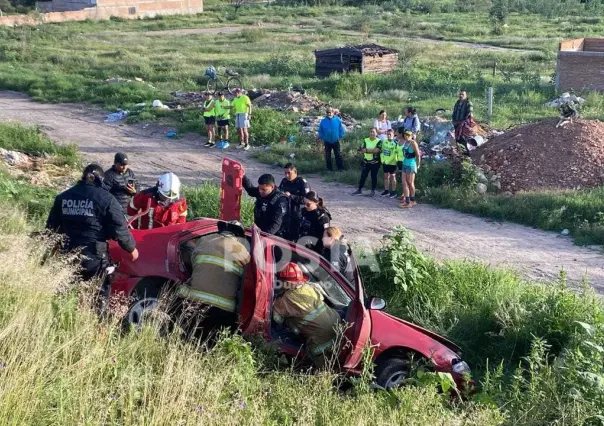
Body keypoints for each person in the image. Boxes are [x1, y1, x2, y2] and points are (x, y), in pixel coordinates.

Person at [46, 164, 138, 301]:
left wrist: (50, 251)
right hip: (94, 256)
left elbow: (51, 228)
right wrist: (131, 249)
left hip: (68, 253)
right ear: (101, 179)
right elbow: (119, 228)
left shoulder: (63, 197)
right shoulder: (107, 199)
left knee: (65, 293)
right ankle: (96, 319)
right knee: (99, 295)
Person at [177, 221, 251, 330]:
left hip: (194, 301)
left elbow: (194, 265)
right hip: (223, 310)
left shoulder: (204, 241)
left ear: (221, 230)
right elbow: (248, 278)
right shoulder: (243, 251)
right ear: (238, 236)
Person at [273, 262, 341, 368]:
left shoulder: (285, 300)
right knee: (337, 361)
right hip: (337, 326)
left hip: (320, 340)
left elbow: (276, 320)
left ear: (285, 282)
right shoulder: (310, 287)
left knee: (322, 369)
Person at [243, 172, 290, 238]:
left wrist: (262, 236)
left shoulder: (280, 200)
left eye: (264, 190)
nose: (260, 191)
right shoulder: (262, 190)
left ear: (272, 187)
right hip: (260, 230)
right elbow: (251, 190)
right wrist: (242, 176)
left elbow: (276, 224)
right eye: (259, 188)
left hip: (274, 236)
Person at [278, 163, 310, 242]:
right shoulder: (284, 181)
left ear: (295, 172)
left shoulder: (302, 182)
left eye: (289, 173)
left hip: (298, 213)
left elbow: (307, 200)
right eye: (285, 173)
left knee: (295, 235)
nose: (287, 175)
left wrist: (291, 196)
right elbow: (279, 192)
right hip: (285, 212)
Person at [351, 128, 381, 197]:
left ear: (376, 133)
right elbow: (361, 149)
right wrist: (363, 150)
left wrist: (366, 150)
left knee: (374, 176)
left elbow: (376, 150)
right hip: (366, 161)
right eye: (371, 132)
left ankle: (373, 191)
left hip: (375, 162)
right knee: (363, 176)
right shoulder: (366, 140)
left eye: (373, 132)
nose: (372, 133)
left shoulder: (379, 141)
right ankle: (359, 190)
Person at [397, 129, 421, 208]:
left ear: (411, 136)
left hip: (411, 164)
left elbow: (418, 154)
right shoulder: (405, 142)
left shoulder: (413, 143)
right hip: (405, 163)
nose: (406, 136)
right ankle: (407, 201)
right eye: (405, 135)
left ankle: (412, 200)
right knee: (404, 182)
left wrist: (418, 164)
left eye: (408, 135)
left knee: (410, 183)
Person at [317, 107, 345, 172]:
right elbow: (320, 131)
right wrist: (323, 137)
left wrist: (340, 136)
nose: (329, 114)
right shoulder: (323, 121)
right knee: (327, 156)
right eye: (327, 112)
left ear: (333, 113)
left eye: (330, 112)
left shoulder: (337, 120)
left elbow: (341, 129)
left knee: (338, 155)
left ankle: (340, 168)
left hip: (335, 141)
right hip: (327, 142)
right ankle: (329, 169)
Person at [380, 129, 398, 198]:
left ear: (393, 135)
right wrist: (382, 160)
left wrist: (388, 161)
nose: (389, 136)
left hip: (392, 162)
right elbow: (382, 151)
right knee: (385, 176)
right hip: (385, 162)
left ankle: (393, 192)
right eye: (388, 134)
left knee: (392, 176)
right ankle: (386, 190)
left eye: (390, 134)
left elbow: (394, 154)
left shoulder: (395, 143)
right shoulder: (384, 141)